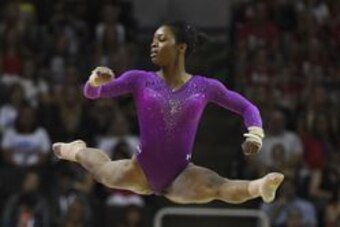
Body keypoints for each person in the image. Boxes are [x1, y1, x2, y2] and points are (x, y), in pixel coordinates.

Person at [52, 22, 284, 204]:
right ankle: (76, 149)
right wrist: (94, 81)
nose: (153, 44)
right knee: (102, 171)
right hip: (141, 168)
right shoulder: (139, 79)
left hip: (181, 174)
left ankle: (259, 187)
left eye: (161, 40)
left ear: (181, 47)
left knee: (217, 187)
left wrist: (255, 133)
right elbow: (93, 94)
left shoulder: (205, 87)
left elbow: (247, 107)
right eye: (153, 40)